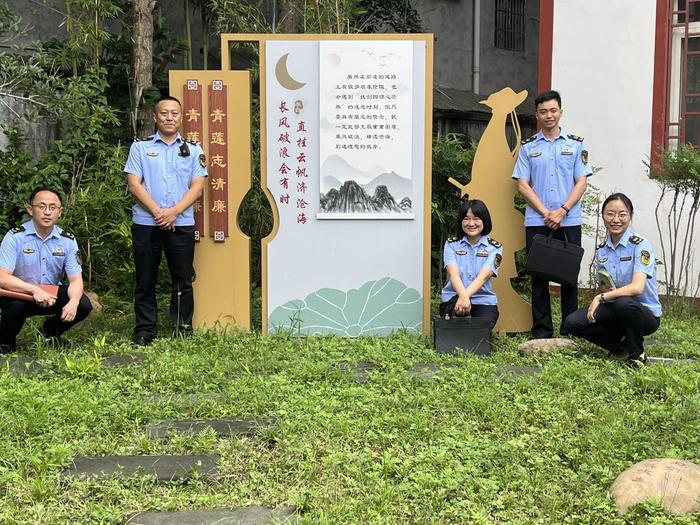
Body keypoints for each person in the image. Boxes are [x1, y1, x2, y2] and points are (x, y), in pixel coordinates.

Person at [124, 95, 207, 346]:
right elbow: (133, 184)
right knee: (145, 279)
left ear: (181, 118)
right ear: (155, 117)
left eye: (174, 113)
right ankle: (145, 330)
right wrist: (160, 213)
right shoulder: (140, 147)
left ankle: (182, 328)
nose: (169, 117)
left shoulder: (194, 150)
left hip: (181, 224)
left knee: (182, 278)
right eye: (164, 113)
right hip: (146, 224)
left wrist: (173, 213)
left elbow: (197, 188)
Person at [512, 89, 593, 339]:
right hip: (538, 220)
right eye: (544, 111)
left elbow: (581, 181)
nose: (549, 115)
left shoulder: (576, 144)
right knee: (538, 277)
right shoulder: (528, 147)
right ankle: (542, 332)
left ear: (561, 111)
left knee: (568, 277)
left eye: (553, 110)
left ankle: (571, 331)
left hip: (569, 220)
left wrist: (562, 210)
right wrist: (547, 212)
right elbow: (522, 184)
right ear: (537, 114)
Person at [562, 193, 662, 367]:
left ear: (630, 216)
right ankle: (619, 346)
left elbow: (637, 288)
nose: (616, 219)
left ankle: (637, 355)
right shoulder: (602, 250)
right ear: (603, 216)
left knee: (624, 302)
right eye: (610, 214)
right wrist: (604, 293)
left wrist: (600, 298)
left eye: (622, 214)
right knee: (572, 323)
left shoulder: (640, 245)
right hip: (617, 308)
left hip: (644, 314)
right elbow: (605, 286)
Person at [0, 187, 92, 353]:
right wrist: (34, 290)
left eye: (52, 207)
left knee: (83, 304)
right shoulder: (15, 237)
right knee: (15, 307)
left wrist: (73, 302)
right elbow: (3, 278)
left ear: (60, 212)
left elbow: (76, 280)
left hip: (50, 295)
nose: (47, 212)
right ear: (30, 210)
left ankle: (50, 332)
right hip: (21, 294)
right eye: (41, 206)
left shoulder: (68, 240)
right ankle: (5, 343)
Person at [440, 199, 503, 330]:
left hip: (482, 300)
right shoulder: (451, 244)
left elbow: (483, 277)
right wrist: (463, 298)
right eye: (466, 219)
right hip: (454, 298)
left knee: (481, 328)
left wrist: (465, 298)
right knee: (453, 328)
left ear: (484, 221)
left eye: (476, 219)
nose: (471, 223)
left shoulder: (495, 247)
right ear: (461, 221)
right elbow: (453, 274)